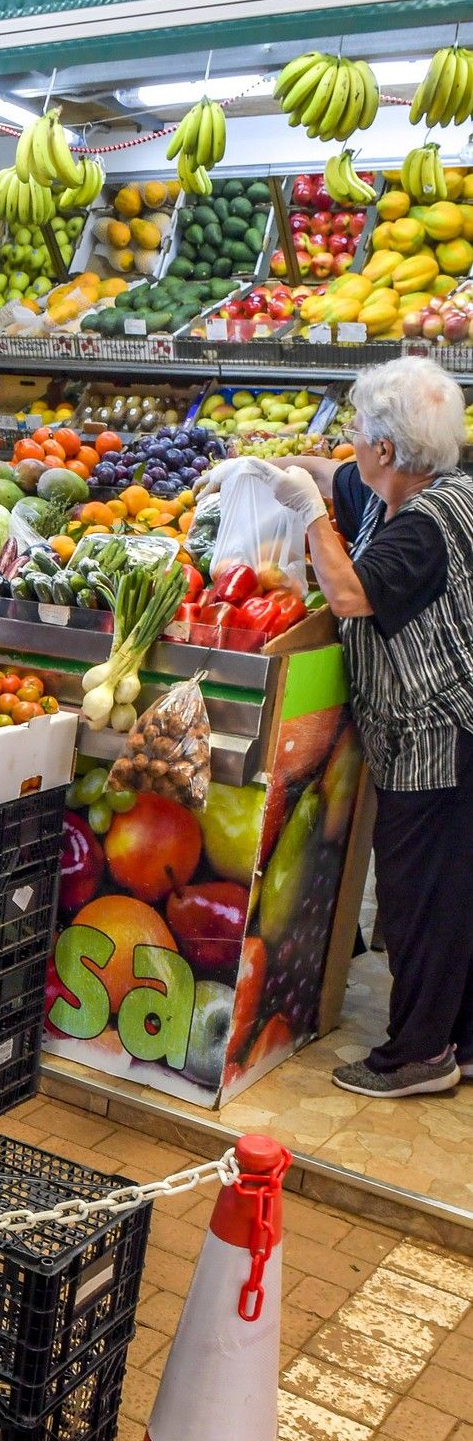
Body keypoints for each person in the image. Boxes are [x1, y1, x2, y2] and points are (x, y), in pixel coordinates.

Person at [206, 357, 473, 1099]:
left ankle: (419, 1054)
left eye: (361, 430)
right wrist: (261, 469)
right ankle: (461, 1035)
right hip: (417, 731)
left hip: (440, 736)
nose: (352, 440)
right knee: (450, 893)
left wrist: (312, 516)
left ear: (388, 449)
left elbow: (350, 594)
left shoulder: (428, 523)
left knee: (421, 898)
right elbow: (331, 472)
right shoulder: (395, 487)